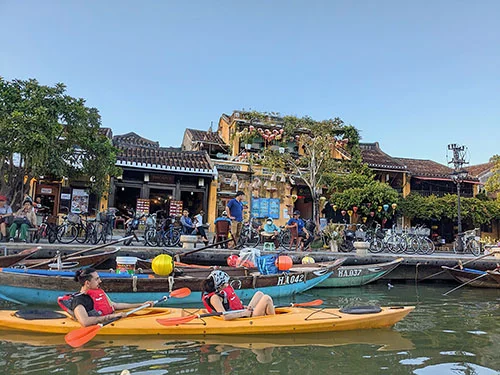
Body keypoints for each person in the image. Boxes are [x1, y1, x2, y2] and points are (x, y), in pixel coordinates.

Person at [70, 268, 154, 327]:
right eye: (97, 279)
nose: (100, 281)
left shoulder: (98, 292)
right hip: (107, 321)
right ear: (87, 283)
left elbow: (115, 305)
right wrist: (112, 317)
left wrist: (141, 305)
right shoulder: (78, 301)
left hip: (111, 318)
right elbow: (85, 322)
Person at [201, 270, 275, 320]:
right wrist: (244, 313)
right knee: (266, 298)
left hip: (241, 312)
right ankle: (274, 321)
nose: (227, 285)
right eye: (225, 283)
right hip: (241, 318)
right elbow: (224, 316)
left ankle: (269, 315)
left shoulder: (218, 293)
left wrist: (244, 308)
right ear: (219, 286)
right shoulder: (214, 298)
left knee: (259, 294)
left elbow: (229, 306)